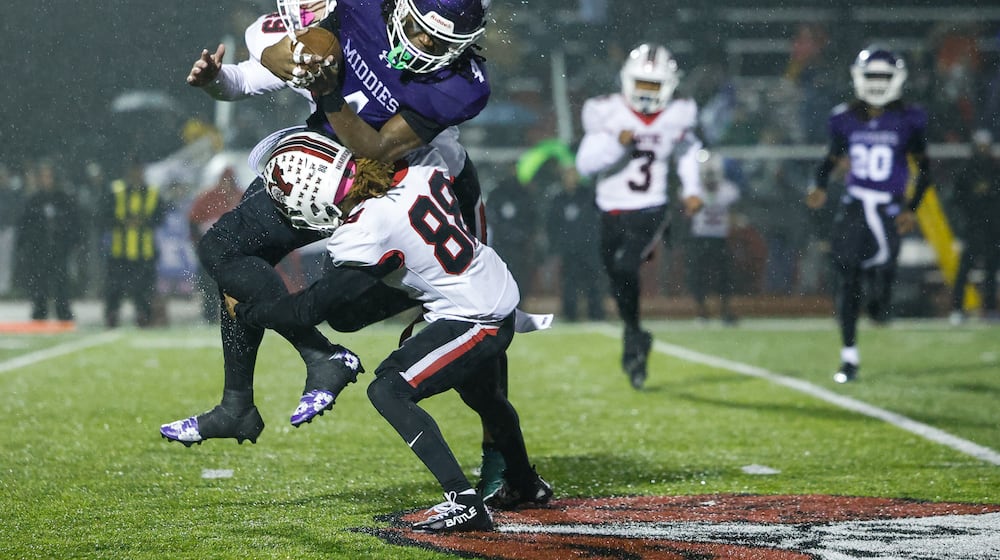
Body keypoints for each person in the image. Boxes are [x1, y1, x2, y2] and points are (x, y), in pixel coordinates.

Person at [163, 0, 512, 498]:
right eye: (418, 29)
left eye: (441, 42)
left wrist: (324, 88)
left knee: (463, 335)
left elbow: (376, 148)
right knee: (224, 248)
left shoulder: (459, 85)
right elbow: (269, 65)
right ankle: (248, 396)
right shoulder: (355, 9)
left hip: (407, 190)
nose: (425, 45)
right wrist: (292, 56)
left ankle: (503, 460)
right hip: (327, 165)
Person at [226, 131, 553, 532]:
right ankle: (523, 483)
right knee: (484, 395)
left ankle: (464, 500)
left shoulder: (365, 229)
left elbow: (310, 308)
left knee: (388, 389)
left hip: (475, 317)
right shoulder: (413, 170)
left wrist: (248, 311)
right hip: (488, 286)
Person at [576, 42, 704, 389]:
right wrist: (616, 143)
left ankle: (632, 338)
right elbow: (584, 163)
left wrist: (693, 189)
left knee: (625, 266)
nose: (647, 93)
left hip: (650, 206)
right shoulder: (605, 111)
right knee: (616, 275)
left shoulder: (679, 113)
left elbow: (689, 150)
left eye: (655, 86)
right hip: (609, 208)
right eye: (643, 84)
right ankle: (635, 333)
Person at [805, 45, 932, 383]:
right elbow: (830, 159)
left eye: (883, 76)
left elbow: (924, 168)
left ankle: (878, 302)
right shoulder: (844, 118)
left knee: (882, 282)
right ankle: (849, 356)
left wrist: (912, 208)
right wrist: (818, 184)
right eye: (871, 75)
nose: (876, 83)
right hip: (855, 203)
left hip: (889, 207)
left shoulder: (909, 118)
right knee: (846, 277)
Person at [100, 159, 167, 328]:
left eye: (139, 171)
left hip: (144, 251)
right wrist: (122, 222)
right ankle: (112, 316)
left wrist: (144, 222)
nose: (137, 175)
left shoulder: (152, 192)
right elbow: (103, 215)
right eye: (134, 171)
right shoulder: (116, 190)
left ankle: (143, 316)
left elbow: (160, 217)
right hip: (119, 251)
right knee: (114, 289)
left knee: (143, 289)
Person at [16, 159, 81, 322]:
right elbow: (25, 224)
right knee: (39, 281)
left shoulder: (63, 198)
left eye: (49, 176)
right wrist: (25, 244)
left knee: (61, 280)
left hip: (59, 247)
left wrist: (71, 241)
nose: (46, 180)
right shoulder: (34, 200)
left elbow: (73, 222)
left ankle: (63, 309)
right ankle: (40, 309)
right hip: (39, 248)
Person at [949, 129, 1000, 324]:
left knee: (991, 269)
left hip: (992, 229)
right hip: (973, 228)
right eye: (980, 146)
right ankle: (957, 308)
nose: (983, 150)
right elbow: (957, 201)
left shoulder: (995, 171)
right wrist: (964, 222)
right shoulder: (966, 171)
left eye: (985, 147)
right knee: (964, 269)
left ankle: (989, 309)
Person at [546, 165, 605, 322]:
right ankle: (570, 313)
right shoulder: (559, 198)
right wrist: (556, 244)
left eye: (573, 175)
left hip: (588, 247)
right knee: (569, 282)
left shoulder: (588, 196)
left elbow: (596, 220)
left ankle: (595, 313)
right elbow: (552, 224)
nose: (571, 179)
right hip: (568, 249)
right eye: (568, 175)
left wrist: (594, 240)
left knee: (592, 281)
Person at [686, 153, 740, 324]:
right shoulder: (695, 190)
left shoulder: (728, 190)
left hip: (719, 238)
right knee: (698, 276)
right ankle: (702, 311)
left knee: (724, 275)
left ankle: (725, 311)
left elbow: (734, 212)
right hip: (700, 238)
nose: (710, 179)